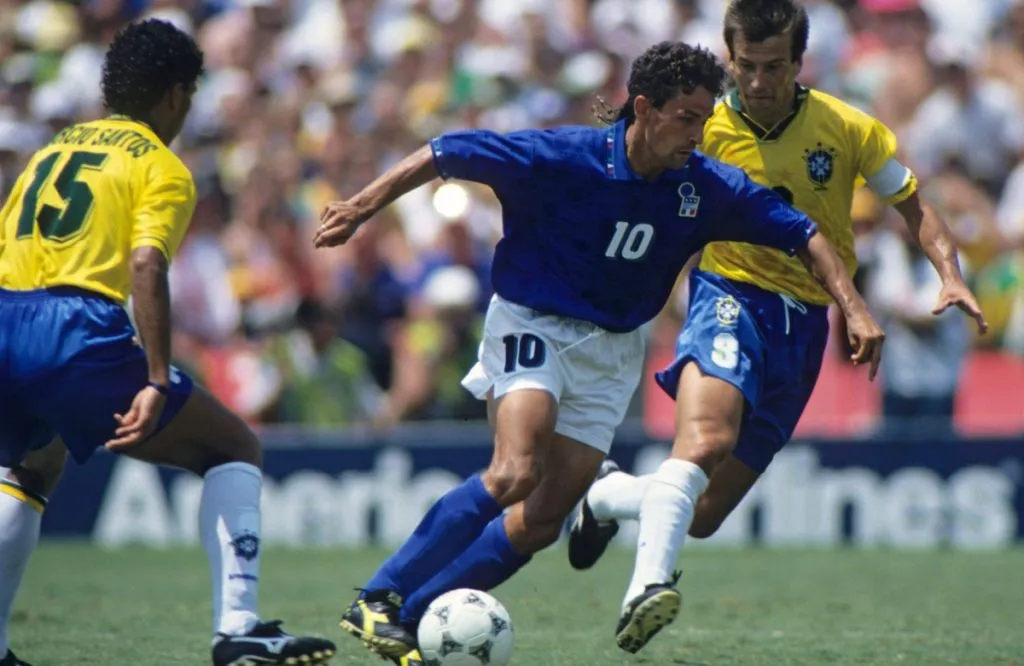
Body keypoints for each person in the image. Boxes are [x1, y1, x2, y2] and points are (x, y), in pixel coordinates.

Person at [314, 41, 885, 666]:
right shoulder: (564, 156)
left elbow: (804, 233)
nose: (701, 133)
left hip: (612, 354)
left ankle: (415, 611)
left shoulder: (705, 186)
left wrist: (853, 306)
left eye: (704, 117)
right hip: (534, 323)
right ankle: (378, 595)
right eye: (688, 118)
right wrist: (361, 206)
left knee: (540, 521)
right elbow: (449, 152)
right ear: (644, 108)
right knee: (515, 470)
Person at [567, 0, 988, 655]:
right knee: (704, 440)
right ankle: (647, 587)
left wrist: (950, 274)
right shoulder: (702, 126)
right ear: (729, 59)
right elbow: (628, 165)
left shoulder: (848, 128)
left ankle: (609, 495)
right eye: (746, 67)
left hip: (804, 324)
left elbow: (913, 204)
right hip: (728, 294)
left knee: (703, 516)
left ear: (799, 63)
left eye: (774, 68)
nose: (758, 82)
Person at [0, 20, 335, 666]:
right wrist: (156, 379)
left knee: (28, 468)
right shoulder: (160, 166)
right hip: (75, 329)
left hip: (5, 316)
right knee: (233, 447)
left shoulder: (52, 149)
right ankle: (238, 628)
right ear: (176, 97)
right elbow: (147, 266)